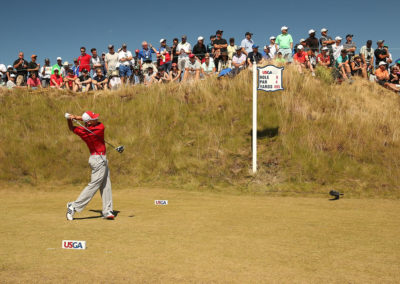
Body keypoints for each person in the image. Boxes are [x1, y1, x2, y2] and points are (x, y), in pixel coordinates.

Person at [65, 111, 114, 221]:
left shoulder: (82, 131)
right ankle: (74, 206)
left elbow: (72, 128)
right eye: (94, 118)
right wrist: (78, 117)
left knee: (106, 184)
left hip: (98, 158)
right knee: (94, 185)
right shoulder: (99, 128)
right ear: (90, 122)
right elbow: (101, 124)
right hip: (98, 160)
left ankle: (107, 211)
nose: (97, 119)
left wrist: (70, 119)